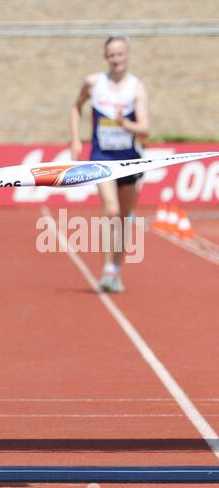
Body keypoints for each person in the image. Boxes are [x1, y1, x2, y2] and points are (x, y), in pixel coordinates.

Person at [70, 35, 150, 294]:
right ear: (106, 57)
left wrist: (125, 123)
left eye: (120, 54)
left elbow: (145, 130)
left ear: (127, 55)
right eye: (112, 55)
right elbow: (75, 106)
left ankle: (116, 269)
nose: (116, 59)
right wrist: (75, 139)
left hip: (129, 159)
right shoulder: (94, 83)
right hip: (101, 156)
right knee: (112, 210)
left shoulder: (137, 88)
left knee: (124, 218)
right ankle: (106, 270)